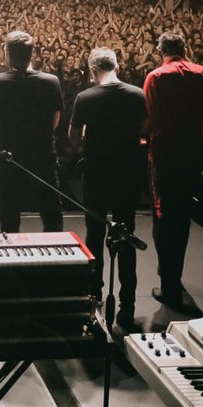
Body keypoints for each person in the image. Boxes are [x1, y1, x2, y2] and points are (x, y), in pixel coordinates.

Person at [68, 47, 147, 332]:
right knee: (126, 237)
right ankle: (127, 307)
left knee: (94, 234)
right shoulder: (138, 94)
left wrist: (90, 135)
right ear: (118, 66)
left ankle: (94, 298)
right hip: (127, 175)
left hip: (96, 175)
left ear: (92, 70)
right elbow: (144, 131)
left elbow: (73, 138)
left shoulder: (85, 98)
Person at [143, 30, 203, 313]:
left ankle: (167, 282)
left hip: (164, 152)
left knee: (163, 214)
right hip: (192, 150)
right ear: (185, 48)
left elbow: (150, 117)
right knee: (182, 216)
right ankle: (176, 275)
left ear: (161, 50)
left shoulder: (156, 76)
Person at [0, 30, 64, 233]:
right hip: (42, 155)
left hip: (8, 157)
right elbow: (54, 122)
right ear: (32, 53)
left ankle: (13, 262)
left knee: (9, 217)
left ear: (7, 53)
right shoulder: (50, 81)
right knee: (51, 215)